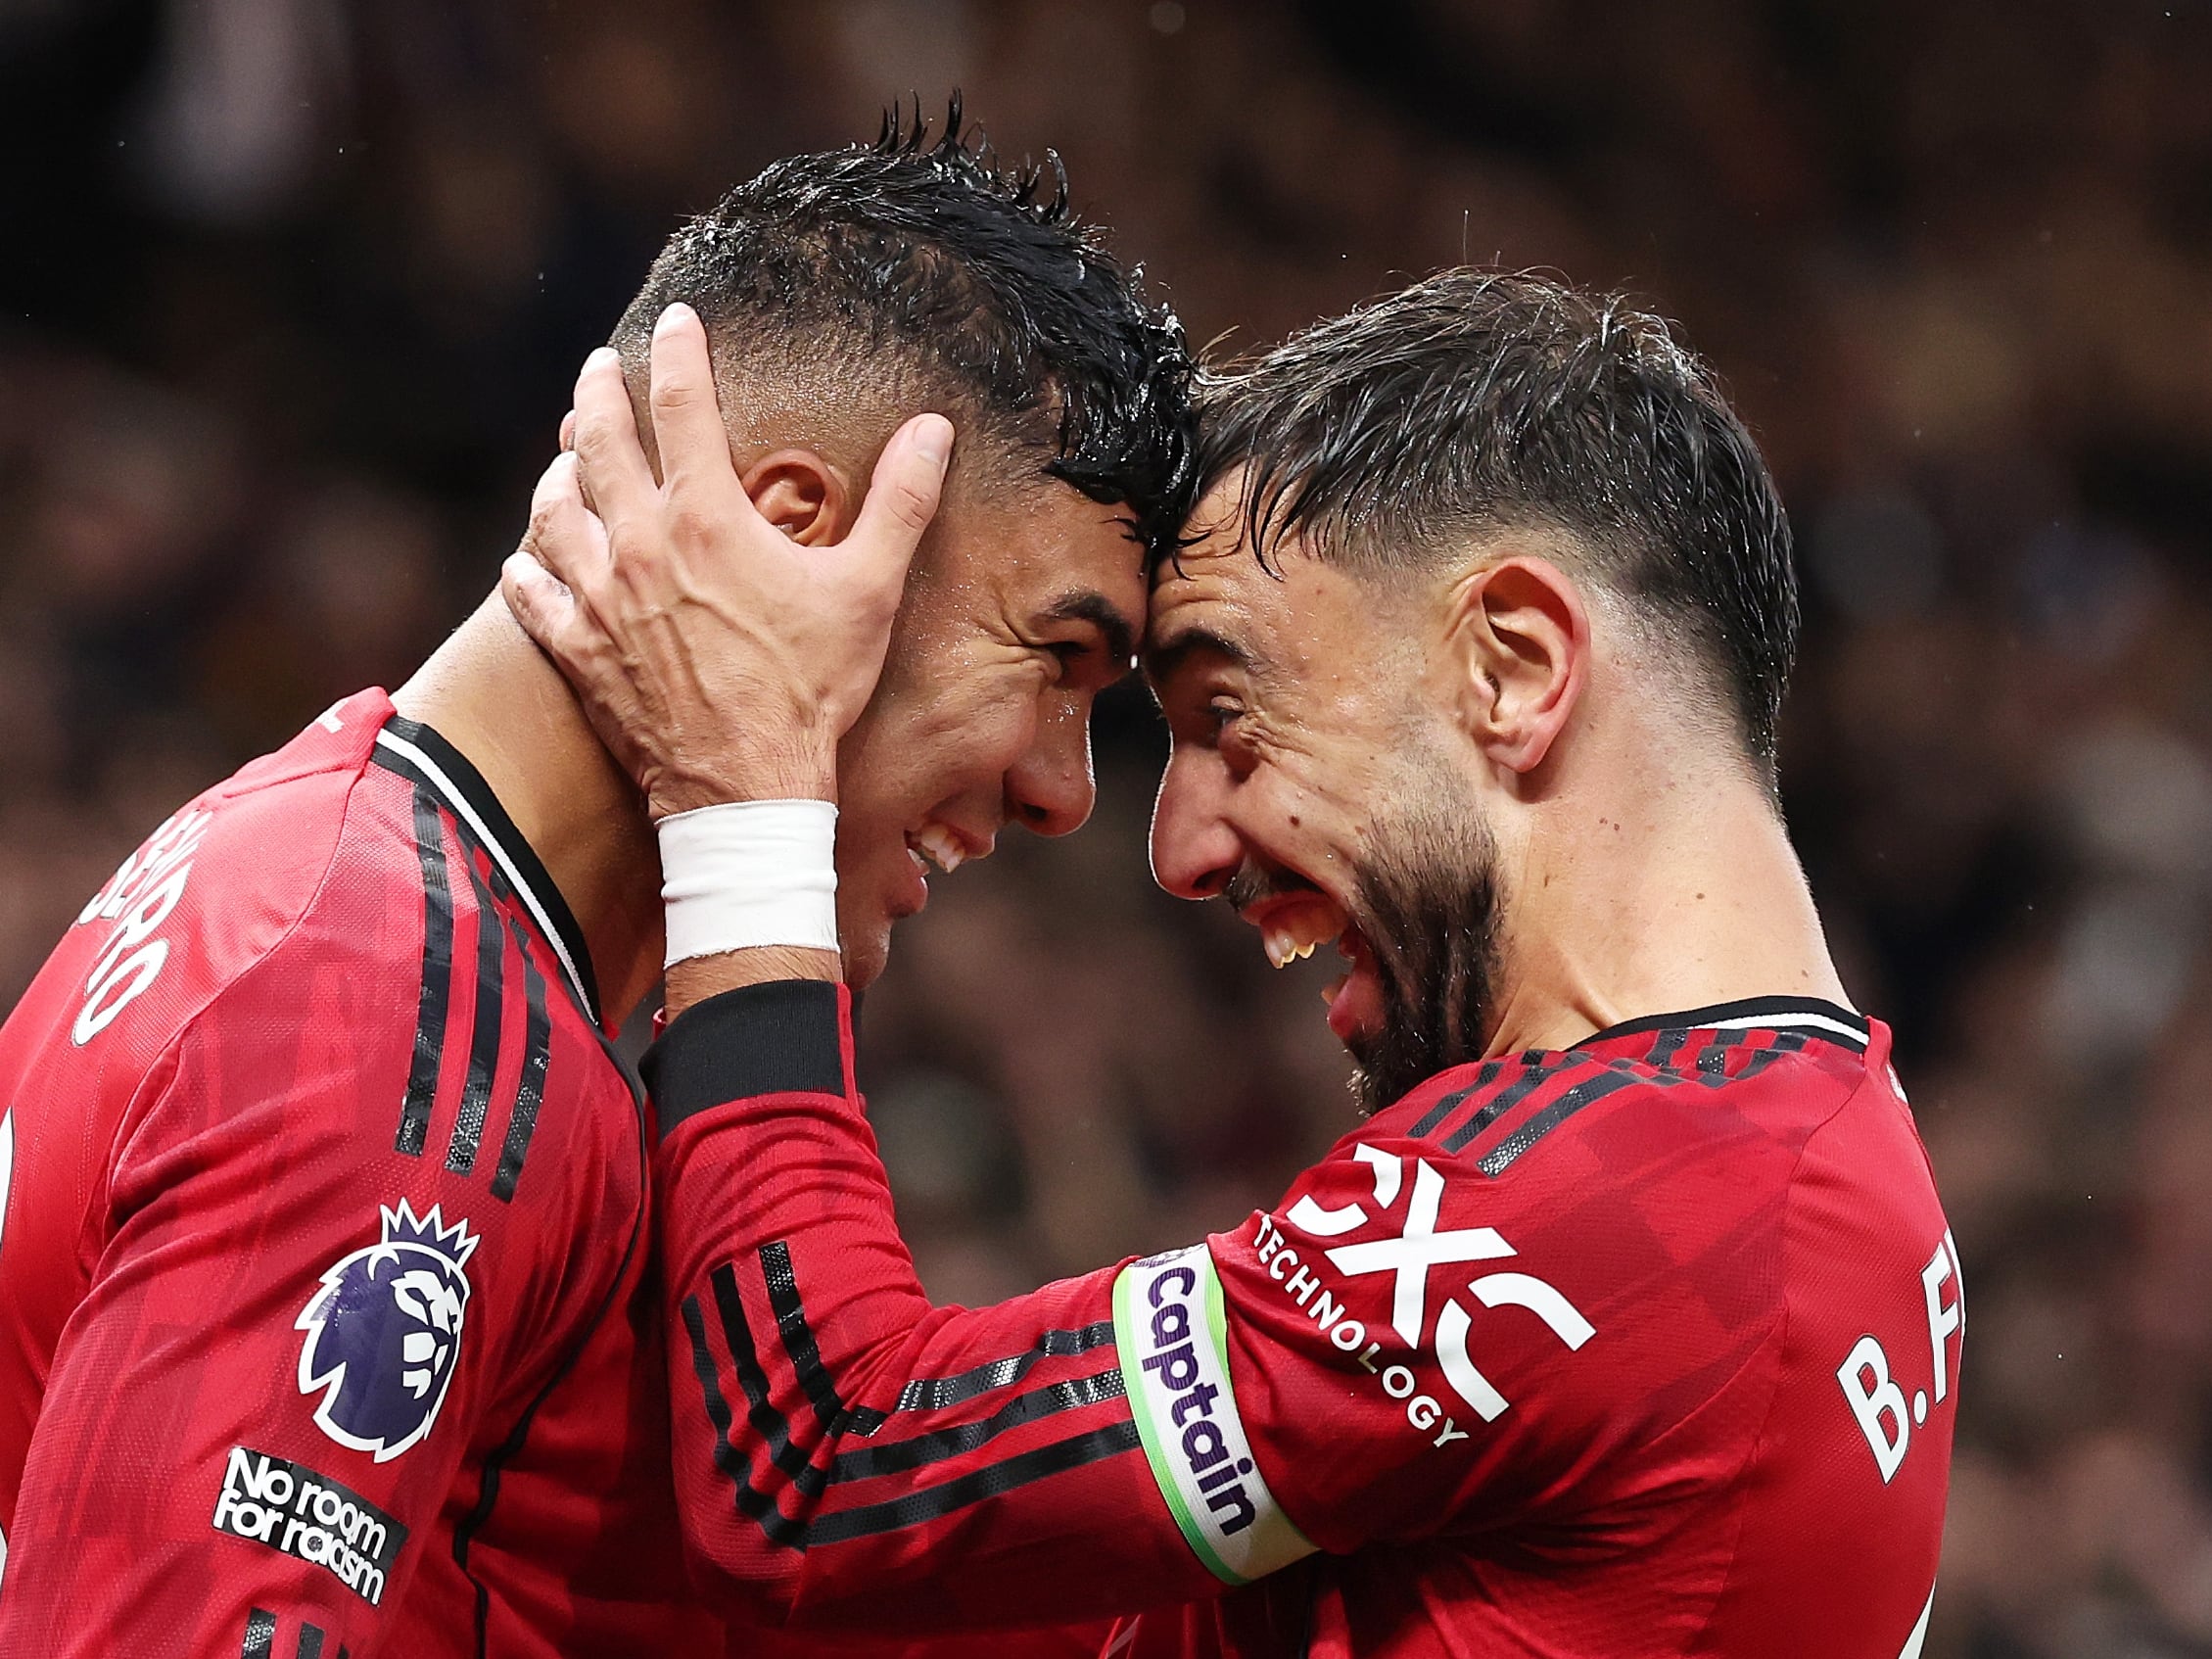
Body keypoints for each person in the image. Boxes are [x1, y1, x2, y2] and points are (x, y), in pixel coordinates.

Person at [503, 269, 1962, 1657]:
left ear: (1512, 667)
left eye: (1231, 711)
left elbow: (816, 1465)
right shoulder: (1821, 1148)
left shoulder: (1620, 1200)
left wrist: (752, 795)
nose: (1183, 845)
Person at [0, 111, 1194, 1657]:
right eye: (1057, 661)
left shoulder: (331, 857)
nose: (1062, 789)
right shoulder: (394, 999)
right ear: (785, 538)